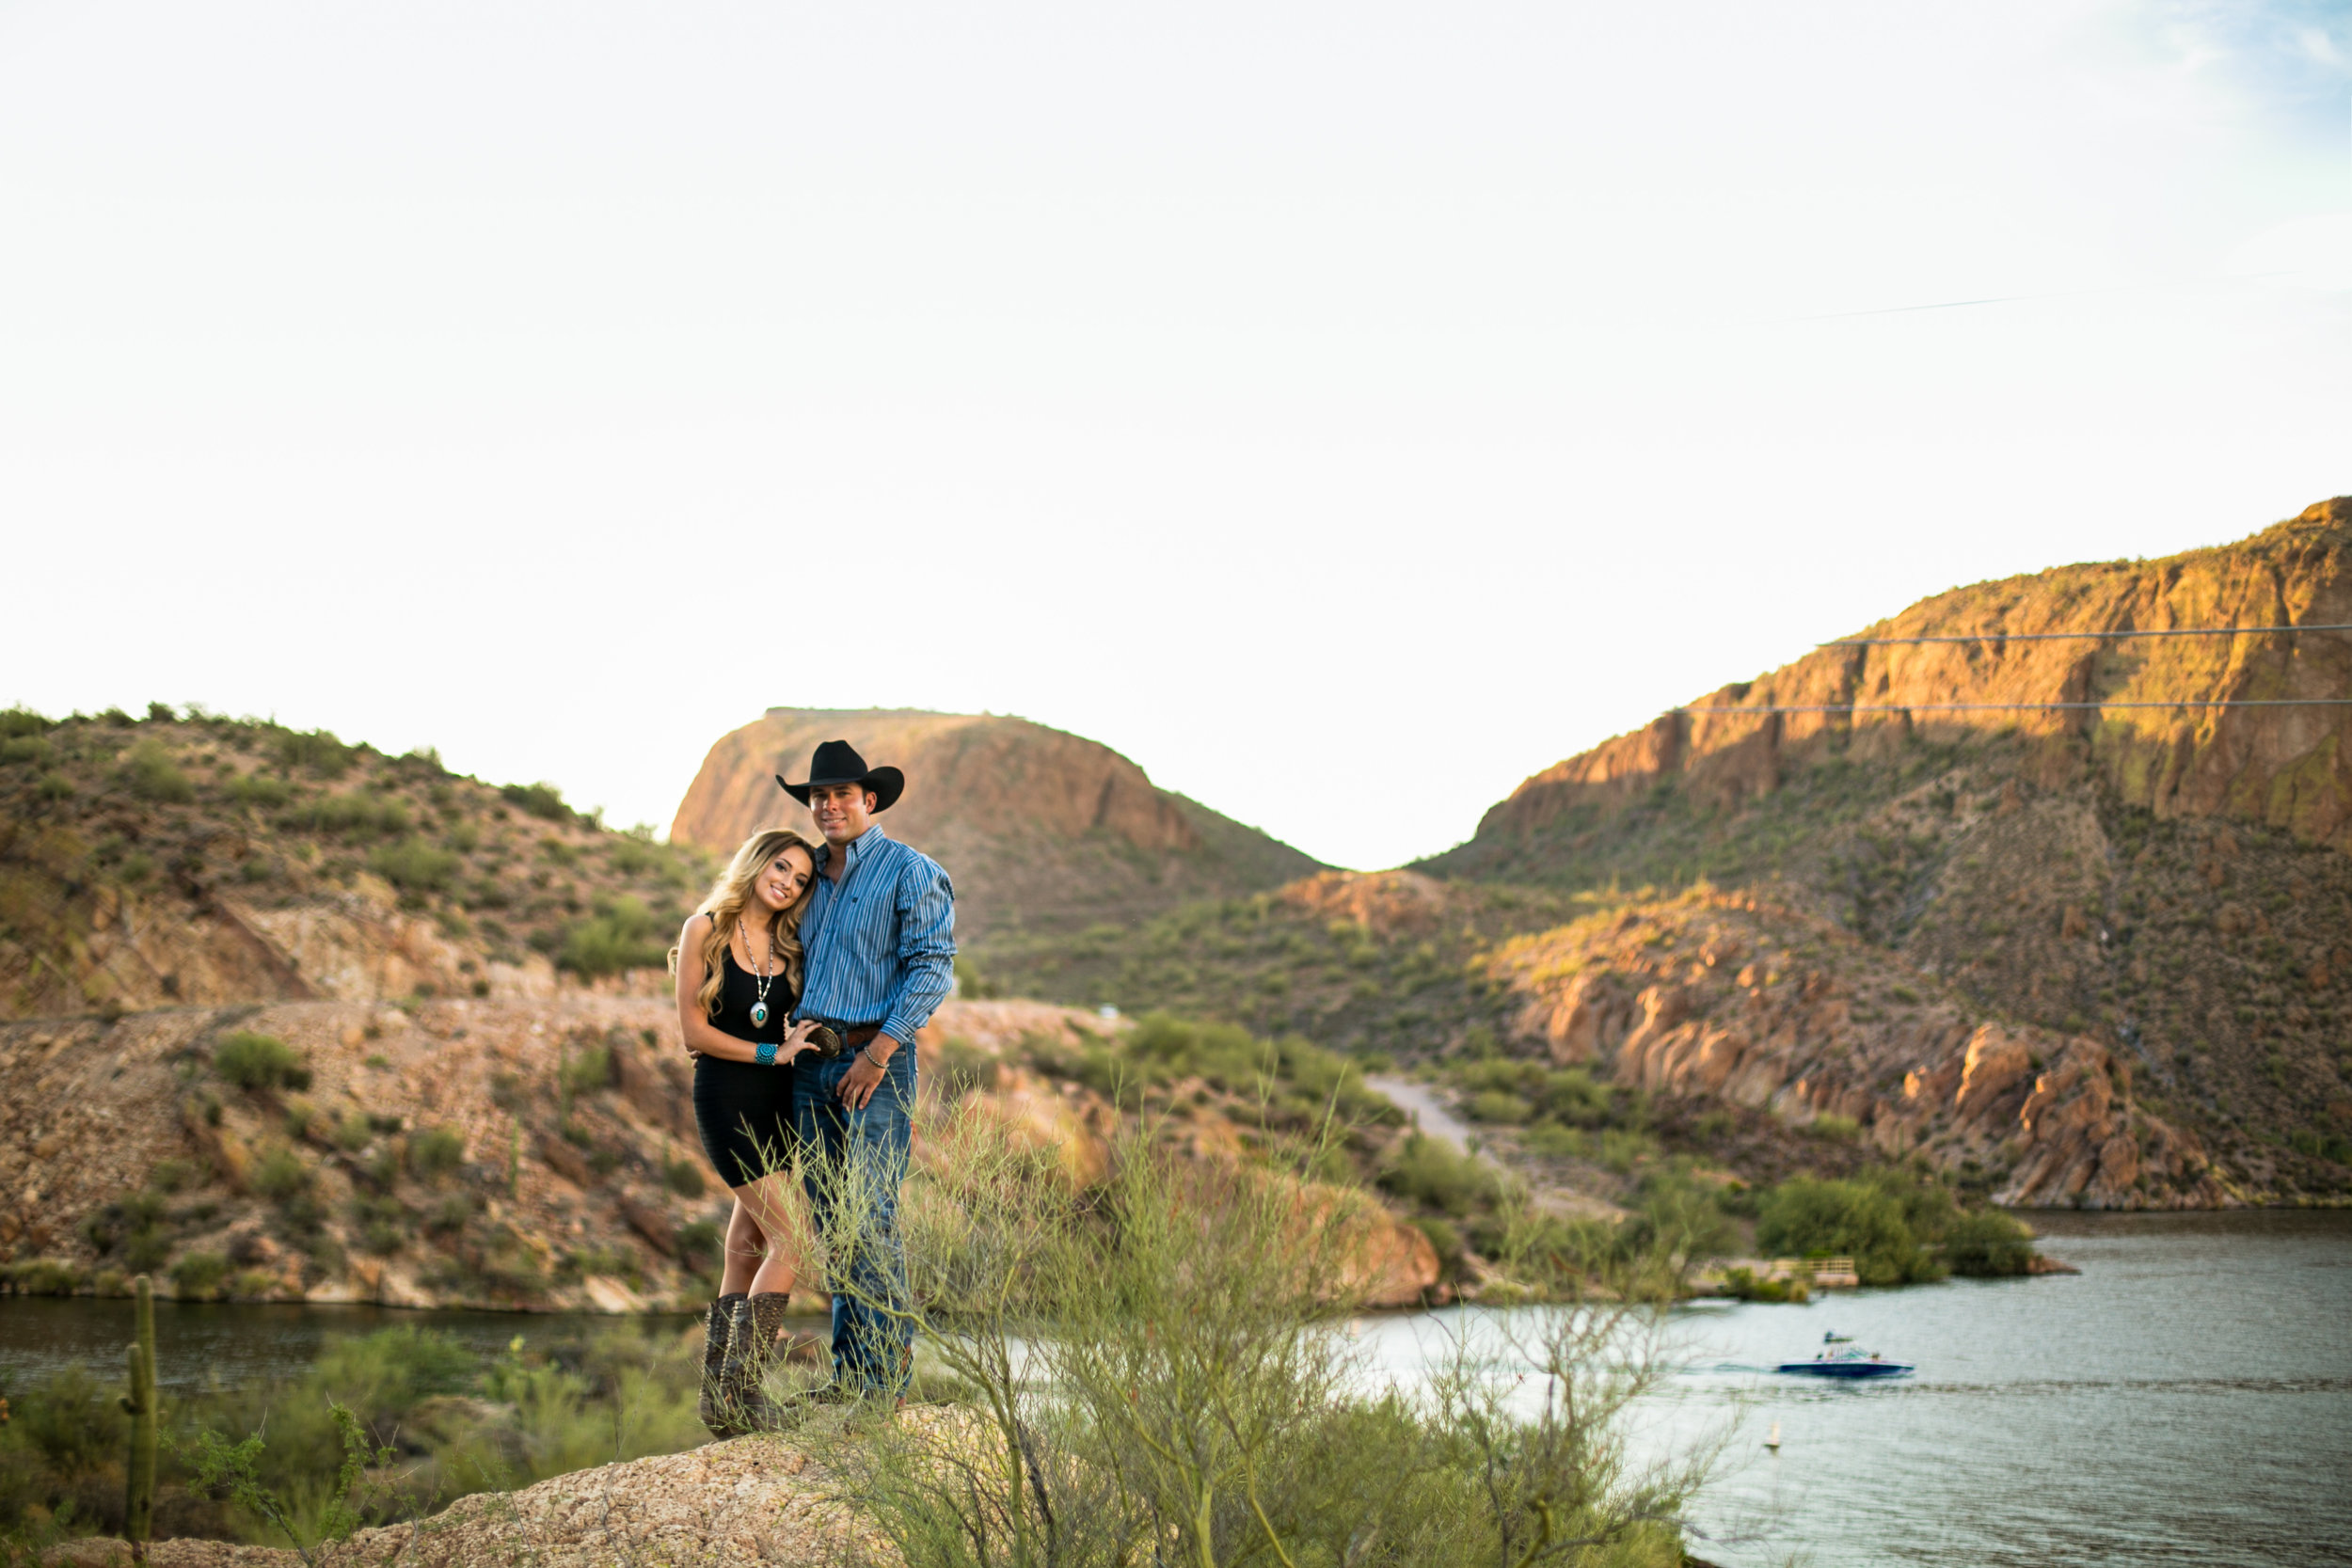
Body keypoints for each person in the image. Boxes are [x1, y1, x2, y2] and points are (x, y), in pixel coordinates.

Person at [779, 738, 955, 1401]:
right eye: (818, 796)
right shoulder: (806, 880)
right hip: (810, 1065)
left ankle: (882, 1383)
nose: (828, 805)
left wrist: (878, 1054)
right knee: (832, 1220)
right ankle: (847, 1375)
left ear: (868, 800)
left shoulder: (910, 870)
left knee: (871, 1215)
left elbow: (933, 966)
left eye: (841, 794)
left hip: (875, 1061)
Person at [668, 829, 827, 1435]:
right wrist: (773, 1054)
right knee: (797, 1240)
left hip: (779, 1106)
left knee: (746, 1248)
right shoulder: (702, 929)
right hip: (728, 1098)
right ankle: (741, 1390)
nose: (787, 882)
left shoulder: (791, 944)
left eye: (801, 879)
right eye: (781, 867)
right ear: (757, 863)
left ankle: (716, 1401)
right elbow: (693, 1033)